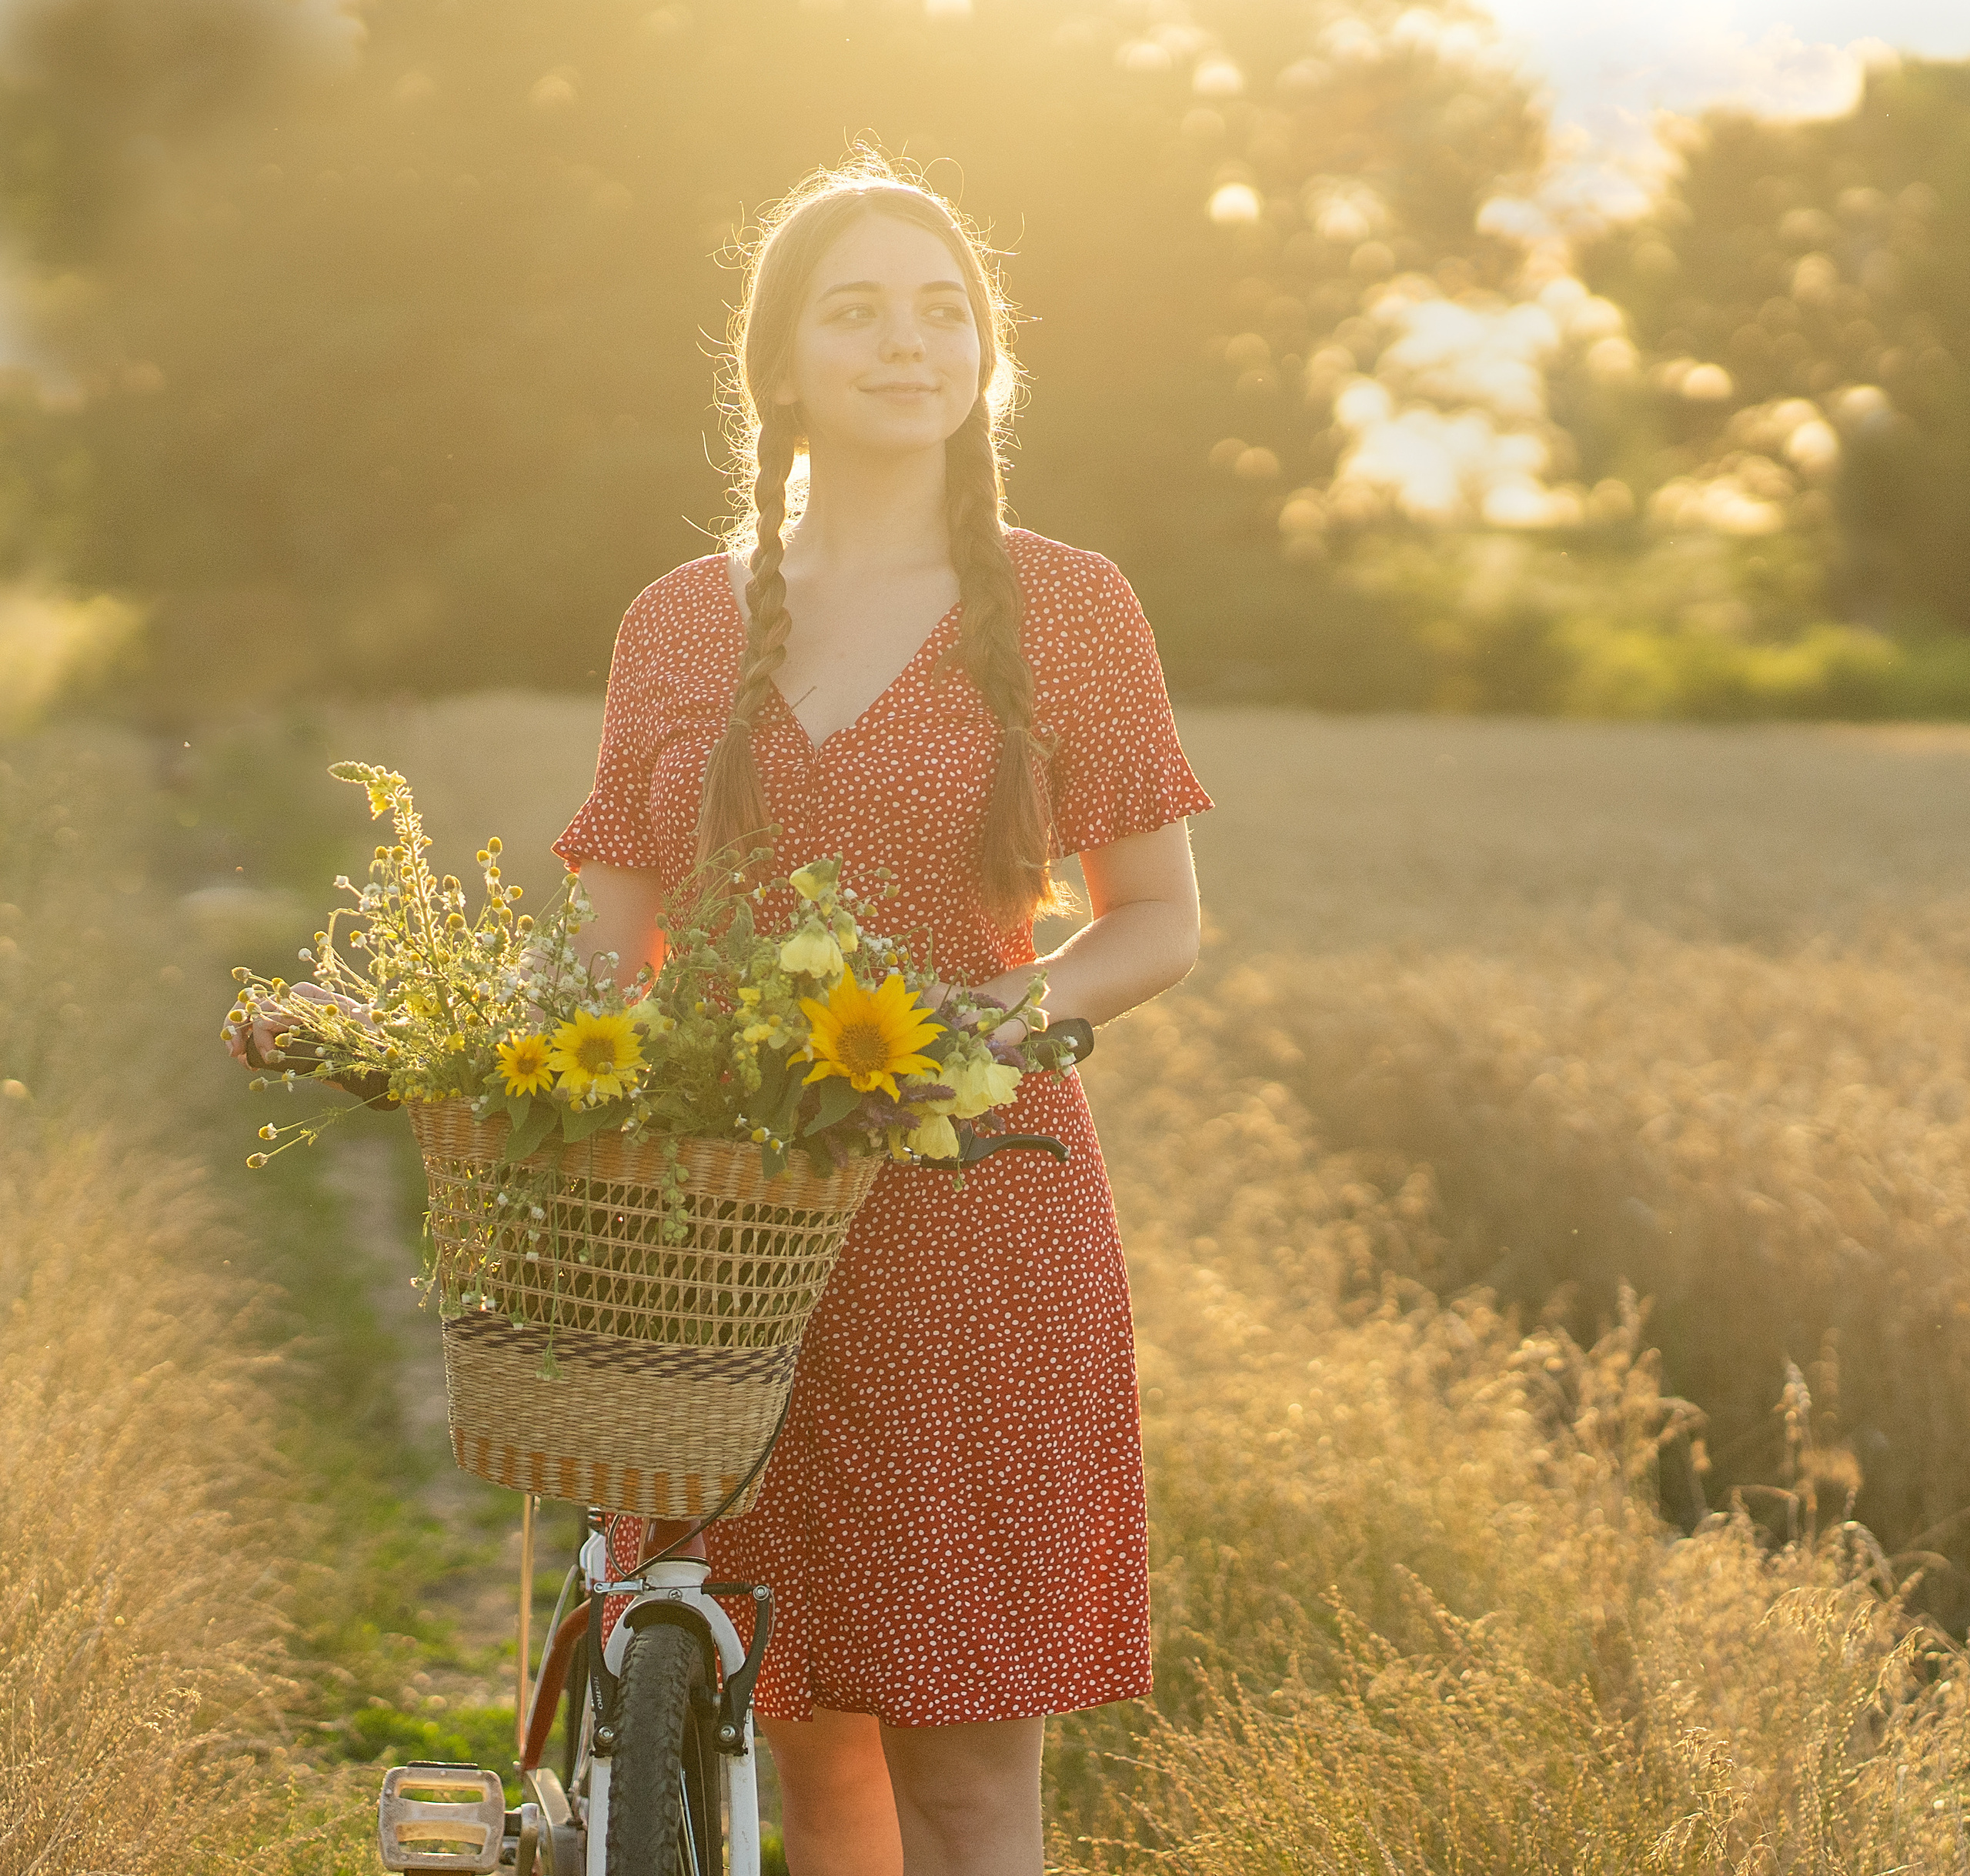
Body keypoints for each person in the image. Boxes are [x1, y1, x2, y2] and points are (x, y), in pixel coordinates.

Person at [234, 155, 1211, 1876]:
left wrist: (975, 1030)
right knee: (803, 1736)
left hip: (971, 1208)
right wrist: (413, 1032)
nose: (908, 344)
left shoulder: (1067, 606)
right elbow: (609, 945)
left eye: (942, 311)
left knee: (968, 1766)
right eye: (858, 310)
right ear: (778, 362)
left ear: (985, 354)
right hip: (717, 1232)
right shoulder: (679, 622)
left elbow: (1156, 926)